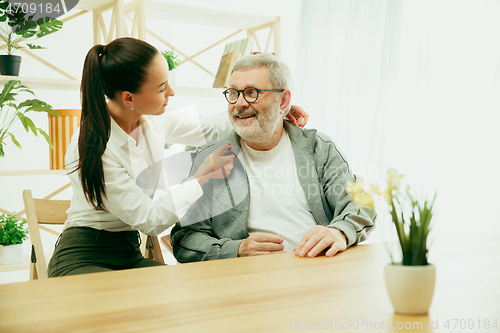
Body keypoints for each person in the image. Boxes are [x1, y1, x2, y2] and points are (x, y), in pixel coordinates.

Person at [47, 38, 308, 277]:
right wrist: (203, 174)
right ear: (129, 98)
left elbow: (217, 129)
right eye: (161, 88)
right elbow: (150, 220)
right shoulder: (95, 144)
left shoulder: (156, 123)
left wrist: (274, 108)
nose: (171, 92)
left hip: (129, 254)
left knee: (183, 292)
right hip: (82, 256)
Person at [170, 53, 376, 263]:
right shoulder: (210, 158)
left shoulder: (319, 149)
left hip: (317, 270)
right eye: (233, 93)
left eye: (252, 92)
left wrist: (339, 232)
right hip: (244, 279)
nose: (239, 103)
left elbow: (360, 205)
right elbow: (185, 238)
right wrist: (236, 249)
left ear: (284, 100)